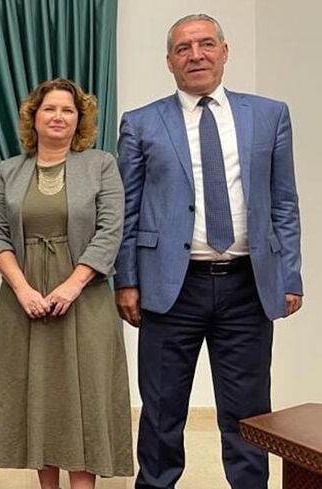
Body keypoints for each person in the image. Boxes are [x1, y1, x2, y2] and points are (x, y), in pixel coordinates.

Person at [115, 14, 303, 489]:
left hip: (247, 285)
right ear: (169, 61)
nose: (195, 54)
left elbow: (284, 202)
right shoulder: (140, 122)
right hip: (170, 288)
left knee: (248, 414)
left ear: (224, 50)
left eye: (205, 44)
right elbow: (127, 210)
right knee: (161, 412)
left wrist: (290, 275)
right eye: (183, 48)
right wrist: (127, 279)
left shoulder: (269, 114)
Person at [0, 78, 133, 489]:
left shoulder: (101, 164)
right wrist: (22, 290)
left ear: (79, 120)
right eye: (49, 108)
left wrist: (71, 286)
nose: (58, 116)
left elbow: (110, 231)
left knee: (83, 398)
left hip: (85, 300)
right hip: (24, 300)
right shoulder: (8, 170)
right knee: (39, 398)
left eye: (68, 110)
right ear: (34, 117)